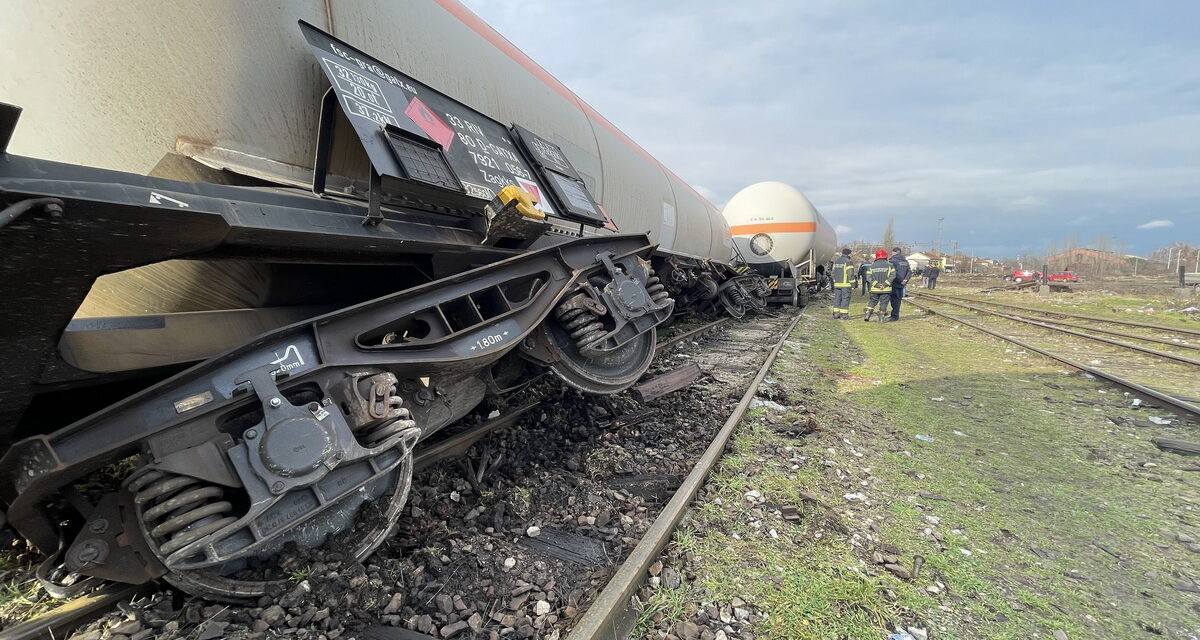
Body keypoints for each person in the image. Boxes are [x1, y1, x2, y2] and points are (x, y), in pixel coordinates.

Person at [863, 249, 895, 321]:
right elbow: (893, 276)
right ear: (885, 257)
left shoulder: (871, 266)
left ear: (876, 257)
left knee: (872, 302)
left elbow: (868, 277)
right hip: (886, 289)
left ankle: (867, 315)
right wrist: (884, 285)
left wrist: (877, 285)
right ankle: (881, 318)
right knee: (884, 303)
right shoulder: (890, 266)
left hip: (874, 289)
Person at [830, 248, 855, 319]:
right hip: (845, 285)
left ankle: (836, 314)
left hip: (837, 284)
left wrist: (835, 281)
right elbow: (850, 274)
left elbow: (832, 273)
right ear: (849, 254)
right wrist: (853, 284)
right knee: (845, 299)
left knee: (837, 298)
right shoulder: (848, 262)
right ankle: (844, 315)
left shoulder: (837, 261)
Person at [887, 247, 910, 322]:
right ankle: (896, 315)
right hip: (902, 284)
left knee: (894, 300)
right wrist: (905, 280)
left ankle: (894, 316)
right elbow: (909, 271)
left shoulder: (892, 261)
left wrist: (900, 280)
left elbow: (893, 273)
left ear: (894, 252)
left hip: (894, 282)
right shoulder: (905, 261)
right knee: (898, 300)